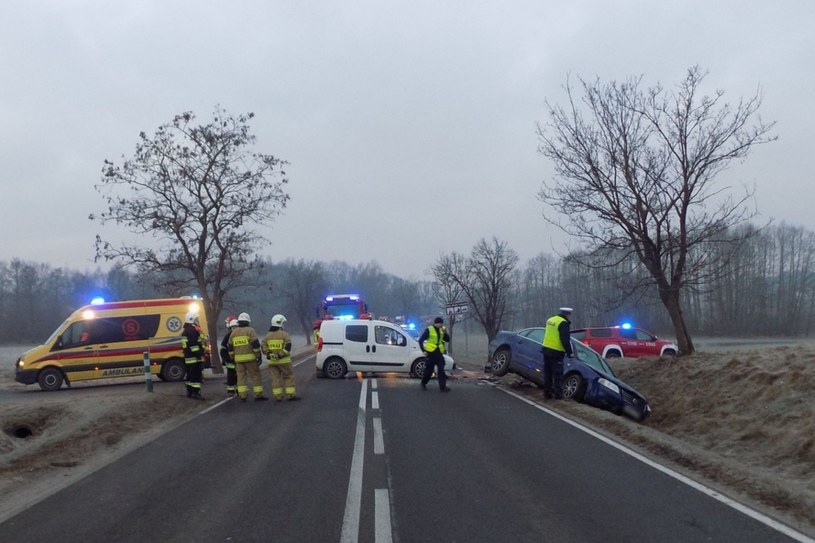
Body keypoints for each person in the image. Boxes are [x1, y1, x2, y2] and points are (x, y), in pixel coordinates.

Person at [228, 312, 268, 402]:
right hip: (251, 359)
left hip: (238, 360)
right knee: (255, 376)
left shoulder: (233, 332)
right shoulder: (250, 331)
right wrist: (259, 356)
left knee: (241, 377)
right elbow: (255, 345)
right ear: (247, 322)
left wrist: (232, 358)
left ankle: (242, 395)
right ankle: (258, 395)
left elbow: (230, 347)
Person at [262, 314, 300, 401]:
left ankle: (277, 396)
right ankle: (290, 395)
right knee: (288, 376)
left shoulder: (267, 336)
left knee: (275, 378)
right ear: (280, 323)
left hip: (272, 362)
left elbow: (263, 347)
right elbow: (288, 347)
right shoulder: (284, 334)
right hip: (284, 361)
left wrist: (269, 354)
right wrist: (280, 355)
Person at [542, 307, 574, 400]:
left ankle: (547, 393)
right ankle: (558, 395)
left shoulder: (550, 320)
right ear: (568, 314)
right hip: (556, 351)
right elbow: (565, 339)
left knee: (548, 373)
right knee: (558, 374)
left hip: (546, 349)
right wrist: (570, 353)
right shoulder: (563, 323)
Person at [419, 316, 451, 392]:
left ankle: (443, 387)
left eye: (441, 324)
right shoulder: (429, 329)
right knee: (429, 370)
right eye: (440, 323)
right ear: (436, 323)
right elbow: (421, 340)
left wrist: (446, 333)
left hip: (439, 353)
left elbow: (447, 340)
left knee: (441, 370)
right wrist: (423, 350)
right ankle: (423, 383)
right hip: (430, 353)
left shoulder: (442, 330)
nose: (441, 325)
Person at [181, 312, 206, 400]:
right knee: (196, 375)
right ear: (191, 319)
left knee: (189, 375)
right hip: (194, 358)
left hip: (188, 358)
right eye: (196, 319)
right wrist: (199, 355)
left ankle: (189, 391)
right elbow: (194, 345)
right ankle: (195, 393)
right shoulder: (192, 330)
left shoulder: (185, 330)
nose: (197, 320)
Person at [219, 315, 238, 396]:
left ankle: (236, 390)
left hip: (236, 360)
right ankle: (232, 391)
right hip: (231, 361)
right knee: (232, 376)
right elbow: (223, 349)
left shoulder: (229, 335)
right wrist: (226, 359)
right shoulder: (228, 336)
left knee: (236, 376)